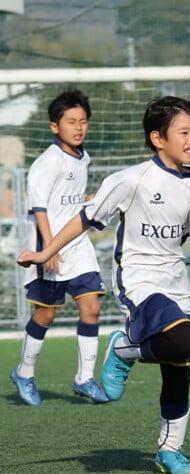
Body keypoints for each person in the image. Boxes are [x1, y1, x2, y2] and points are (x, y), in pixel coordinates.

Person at [18, 96, 190, 474]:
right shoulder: (132, 179)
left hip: (176, 281)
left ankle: (170, 449)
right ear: (158, 138)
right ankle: (125, 350)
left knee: (179, 367)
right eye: (184, 132)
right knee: (185, 339)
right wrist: (46, 254)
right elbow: (85, 218)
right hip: (139, 280)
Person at [11, 88, 109, 406]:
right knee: (46, 315)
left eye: (83, 121)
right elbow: (39, 207)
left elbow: (65, 201)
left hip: (78, 244)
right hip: (49, 243)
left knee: (91, 306)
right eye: (71, 122)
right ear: (55, 127)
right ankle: (24, 372)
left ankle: (85, 378)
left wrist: (87, 200)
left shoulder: (85, 158)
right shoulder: (47, 162)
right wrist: (49, 250)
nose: (78, 127)